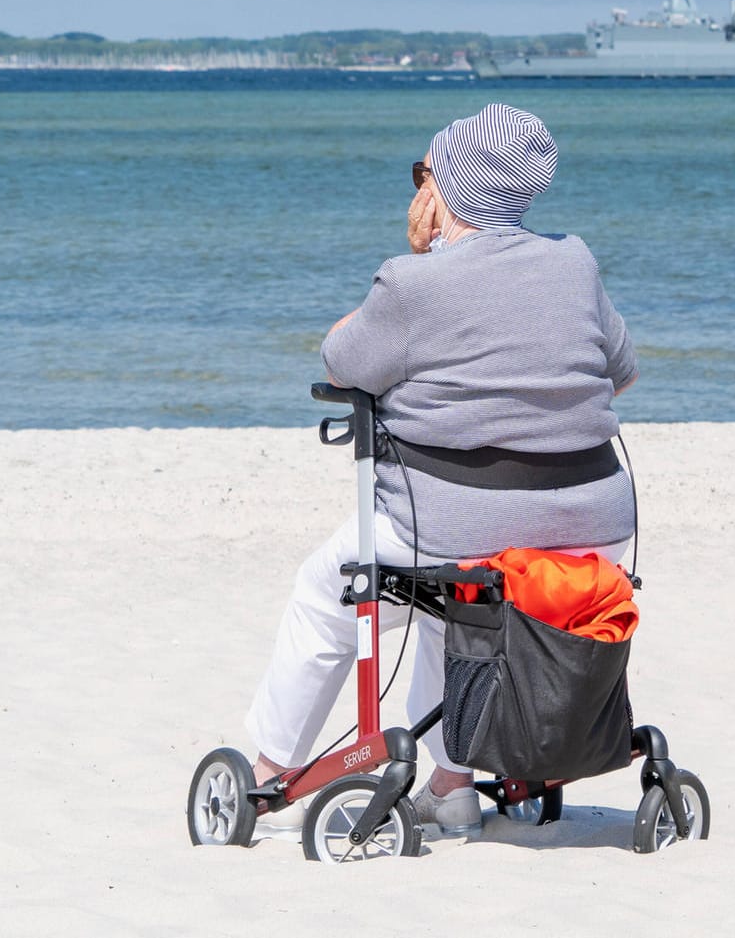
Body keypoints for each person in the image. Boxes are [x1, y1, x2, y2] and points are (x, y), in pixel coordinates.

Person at [244, 104, 638, 835]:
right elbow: (619, 370)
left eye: (428, 170)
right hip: (595, 527)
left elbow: (344, 359)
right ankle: (452, 782)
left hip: (459, 530)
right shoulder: (573, 261)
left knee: (325, 595)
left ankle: (267, 775)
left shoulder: (412, 283)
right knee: (455, 606)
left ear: (450, 184)